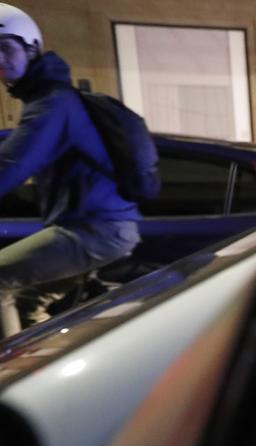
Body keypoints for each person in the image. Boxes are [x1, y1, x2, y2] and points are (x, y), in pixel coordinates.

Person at [0, 4, 141, 327]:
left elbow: (9, 168)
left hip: (94, 231)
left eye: (5, 48)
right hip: (99, 228)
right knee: (28, 301)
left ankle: (13, 377)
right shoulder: (50, 99)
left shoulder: (52, 105)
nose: (0, 59)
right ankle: (40, 365)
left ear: (32, 47)